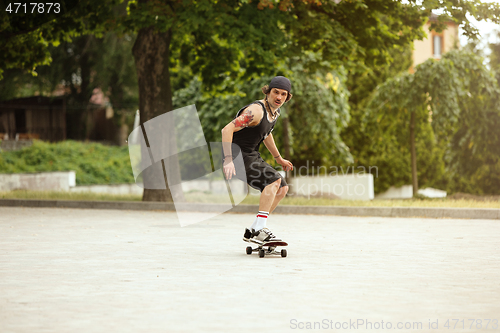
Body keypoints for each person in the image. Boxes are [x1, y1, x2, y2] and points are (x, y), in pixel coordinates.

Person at [221, 76, 294, 245]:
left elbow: (266, 134)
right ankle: (260, 230)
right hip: (237, 156)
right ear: (267, 91)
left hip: (251, 154)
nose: (279, 97)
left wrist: (279, 158)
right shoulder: (256, 111)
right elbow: (227, 129)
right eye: (276, 92)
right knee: (273, 180)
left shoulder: (274, 112)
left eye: (283, 95)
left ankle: (254, 229)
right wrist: (228, 159)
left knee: (282, 188)